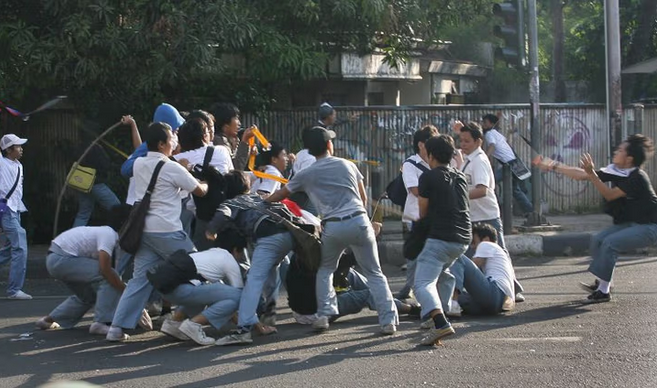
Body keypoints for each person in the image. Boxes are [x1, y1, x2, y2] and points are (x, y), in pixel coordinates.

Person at [266, 126, 399, 335]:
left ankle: (324, 315)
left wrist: (262, 200)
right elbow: (363, 198)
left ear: (309, 152)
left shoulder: (306, 174)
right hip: (359, 220)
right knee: (374, 272)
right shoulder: (347, 165)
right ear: (330, 145)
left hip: (333, 226)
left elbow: (281, 194)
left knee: (326, 269)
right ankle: (388, 320)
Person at [106, 122, 208, 342]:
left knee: (139, 280)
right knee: (201, 269)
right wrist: (205, 181)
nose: (175, 142)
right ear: (162, 144)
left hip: (145, 231)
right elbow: (199, 191)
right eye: (172, 138)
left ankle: (116, 327)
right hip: (167, 231)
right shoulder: (171, 167)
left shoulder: (140, 163)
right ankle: (192, 319)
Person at [534, 134, 657, 303]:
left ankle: (603, 291)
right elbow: (582, 175)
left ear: (629, 158)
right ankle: (604, 282)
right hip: (632, 224)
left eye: (620, 150)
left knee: (610, 243)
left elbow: (609, 195)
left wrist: (592, 174)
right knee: (598, 240)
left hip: (650, 227)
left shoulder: (637, 177)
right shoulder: (618, 171)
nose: (616, 151)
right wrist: (554, 165)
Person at [206, 171, 296, 345]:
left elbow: (222, 215)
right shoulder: (260, 196)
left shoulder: (231, 203)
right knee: (272, 273)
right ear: (247, 186)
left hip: (268, 238)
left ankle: (244, 330)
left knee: (254, 280)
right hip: (289, 233)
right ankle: (269, 316)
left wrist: (211, 230)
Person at [35, 206, 143, 335]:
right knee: (109, 276)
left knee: (87, 296)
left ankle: (47, 320)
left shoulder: (106, 233)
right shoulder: (108, 234)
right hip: (62, 258)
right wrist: (129, 296)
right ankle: (100, 323)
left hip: (56, 258)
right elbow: (106, 271)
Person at [456, 121, 525, 302]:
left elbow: (482, 190)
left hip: (487, 217)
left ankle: (513, 289)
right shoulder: (468, 159)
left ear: (478, 142)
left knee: (499, 252)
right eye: (461, 140)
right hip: (472, 216)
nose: (463, 144)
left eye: (467, 141)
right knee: (470, 254)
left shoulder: (479, 161)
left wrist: (458, 196)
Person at [413, 134, 471, 346]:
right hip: (463, 239)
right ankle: (439, 312)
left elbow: (423, 210)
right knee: (444, 273)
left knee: (421, 283)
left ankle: (439, 322)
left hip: (441, 239)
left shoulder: (428, 177)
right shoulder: (460, 176)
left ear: (430, 156)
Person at [154, 227, 246, 346]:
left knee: (206, 290)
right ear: (235, 250)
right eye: (242, 252)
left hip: (166, 290)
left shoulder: (209, 254)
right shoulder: (229, 259)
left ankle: (174, 324)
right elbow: (240, 297)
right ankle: (193, 325)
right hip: (182, 290)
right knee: (238, 295)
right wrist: (254, 326)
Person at [396, 125, 437, 300]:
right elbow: (414, 190)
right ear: (421, 144)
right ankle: (410, 287)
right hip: (416, 216)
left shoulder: (438, 160)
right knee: (415, 255)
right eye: (431, 140)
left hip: (435, 215)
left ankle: (423, 288)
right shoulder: (410, 164)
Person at [450, 223, 516, 316]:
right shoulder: (499, 253)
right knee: (447, 297)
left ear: (486, 239)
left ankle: (454, 302)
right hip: (500, 303)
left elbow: (473, 265)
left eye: (474, 242)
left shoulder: (486, 244)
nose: (472, 246)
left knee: (457, 257)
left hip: (495, 292)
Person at [481, 114, 533, 216]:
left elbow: (492, 145)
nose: (483, 124)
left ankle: (490, 210)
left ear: (491, 124)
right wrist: (509, 133)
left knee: (490, 182)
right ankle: (530, 211)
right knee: (515, 190)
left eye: (485, 122)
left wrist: (484, 158)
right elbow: (506, 142)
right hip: (514, 162)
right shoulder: (497, 133)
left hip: (508, 164)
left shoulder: (489, 134)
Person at [0, 134, 31, 299]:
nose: (21, 148)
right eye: (18, 146)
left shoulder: (19, 165)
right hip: (6, 211)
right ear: (8, 149)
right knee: (20, 247)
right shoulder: (1, 162)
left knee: (9, 250)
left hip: (15, 210)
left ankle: (14, 289)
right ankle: (14, 290)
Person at [72, 142, 121, 228]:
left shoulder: (82, 147)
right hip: (96, 183)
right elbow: (105, 165)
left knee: (83, 213)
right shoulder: (97, 148)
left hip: (82, 184)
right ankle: (120, 234)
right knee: (117, 208)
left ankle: (73, 237)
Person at [210, 103, 255, 171]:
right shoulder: (219, 142)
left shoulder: (230, 139)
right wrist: (245, 141)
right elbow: (235, 169)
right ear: (225, 125)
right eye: (236, 118)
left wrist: (249, 151)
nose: (239, 123)